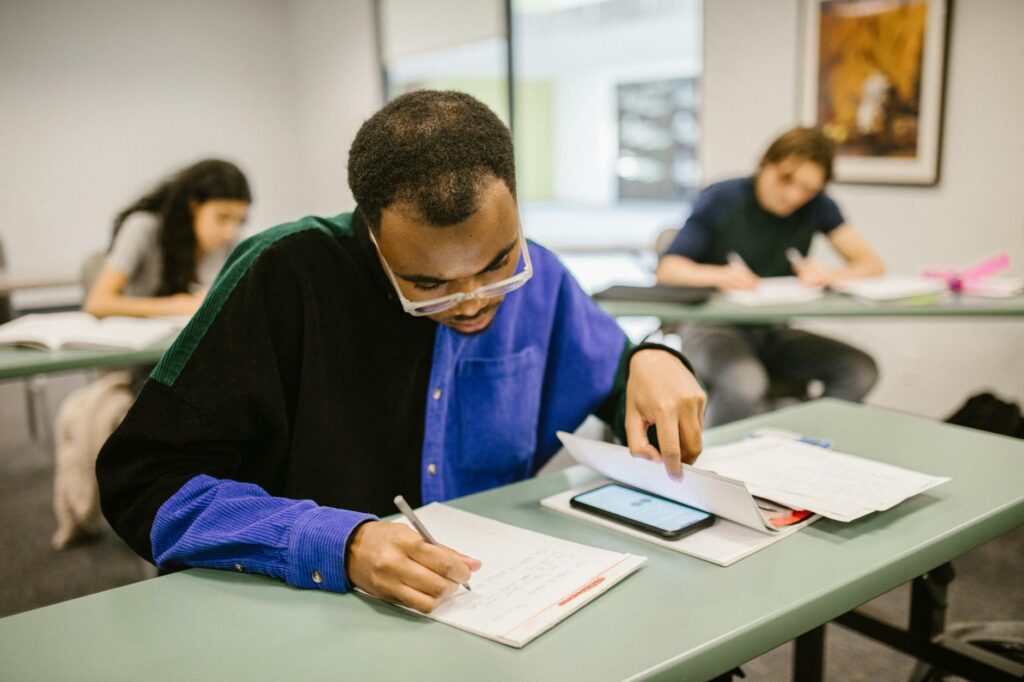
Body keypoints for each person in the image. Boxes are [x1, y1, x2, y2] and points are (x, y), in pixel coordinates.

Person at [97, 91, 706, 615]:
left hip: (492, 607)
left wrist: (654, 357)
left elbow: (619, 373)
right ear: (372, 233)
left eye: (496, 263)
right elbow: (144, 482)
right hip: (303, 611)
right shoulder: (283, 276)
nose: (471, 300)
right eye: (428, 283)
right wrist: (341, 544)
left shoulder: (538, 276)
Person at [655, 127, 883, 426]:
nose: (793, 195)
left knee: (859, 369)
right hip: (712, 327)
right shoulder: (722, 198)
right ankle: (720, 464)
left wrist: (830, 275)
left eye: (808, 189)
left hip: (773, 329)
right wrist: (720, 275)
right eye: (785, 179)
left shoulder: (818, 207)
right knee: (745, 382)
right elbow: (668, 269)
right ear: (765, 164)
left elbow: (871, 264)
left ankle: (806, 443)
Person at [84, 159, 251, 319]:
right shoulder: (143, 227)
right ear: (194, 205)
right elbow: (97, 303)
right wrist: (173, 306)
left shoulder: (231, 241)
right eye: (222, 217)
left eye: (239, 220)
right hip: (144, 344)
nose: (229, 231)